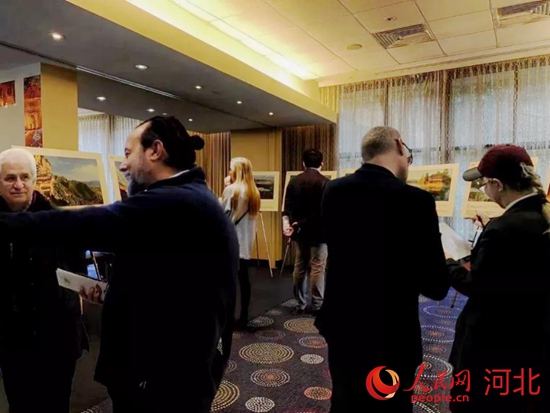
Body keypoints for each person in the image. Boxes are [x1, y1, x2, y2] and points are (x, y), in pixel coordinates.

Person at [0, 116, 239, 412]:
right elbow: (164, 278)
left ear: (155, 151)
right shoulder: (189, 197)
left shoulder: (174, 202)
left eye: (128, 153)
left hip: (164, 377)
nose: (123, 165)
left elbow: (84, 225)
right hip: (174, 366)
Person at [316, 126, 450, 413]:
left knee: (345, 400)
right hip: (391, 333)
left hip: (343, 324)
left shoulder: (334, 190)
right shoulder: (417, 200)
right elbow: (436, 286)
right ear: (400, 145)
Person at [445, 144, 550, 413]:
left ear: (497, 184)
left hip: (492, 342)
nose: (484, 190)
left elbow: (476, 285)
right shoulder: (540, 216)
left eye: (483, 184)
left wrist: (448, 261)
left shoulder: (503, 229)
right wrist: (491, 227)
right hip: (531, 335)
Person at [0, 148, 89, 412]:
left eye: (24, 177)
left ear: (34, 180)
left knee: (56, 405)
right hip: (12, 340)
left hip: (57, 338)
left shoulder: (61, 222)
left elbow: (77, 273)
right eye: (10, 178)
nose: (18, 184)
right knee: (20, 404)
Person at [283, 148, 329, 314]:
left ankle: (300, 303)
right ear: (322, 163)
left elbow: (287, 207)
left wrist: (289, 225)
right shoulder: (325, 182)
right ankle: (317, 304)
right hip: (319, 232)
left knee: (300, 266)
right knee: (318, 267)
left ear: (303, 163)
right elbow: (324, 211)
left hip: (299, 230)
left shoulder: (294, 181)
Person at [221, 157, 261, 329]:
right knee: (244, 280)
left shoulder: (232, 190)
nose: (229, 171)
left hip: (231, 241)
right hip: (245, 242)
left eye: (231, 168)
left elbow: (223, 214)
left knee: (228, 282)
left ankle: (228, 317)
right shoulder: (254, 192)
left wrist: (224, 189)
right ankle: (244, 316)